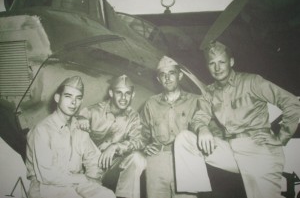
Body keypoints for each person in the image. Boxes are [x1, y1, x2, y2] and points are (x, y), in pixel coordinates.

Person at [174, 41, 300, 198]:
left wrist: (282, 137)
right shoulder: (210, 93)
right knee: (184, 139)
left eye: (222, 62)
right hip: (231, 149)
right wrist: (202, 128)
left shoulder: (252, 81)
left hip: (258, 150)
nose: (217, 68)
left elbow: (292, 103)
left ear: (231, 62)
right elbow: (199, 117)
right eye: (212, 64)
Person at [26, 76, 115, 198]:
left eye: (78, 98)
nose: (73, 102)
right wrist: (84, 178)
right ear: (57, 98)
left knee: (107, 195)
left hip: (77, 182)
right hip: (45, 186)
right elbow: (47, 176)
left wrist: (93, 179)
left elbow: (93, 159)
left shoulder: (79, 128)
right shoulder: (42, 130)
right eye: (68, 96)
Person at [140, 56, 211, 198]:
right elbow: (141, 134)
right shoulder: (150, 104)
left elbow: (211, 132)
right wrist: (144, 147)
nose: (167, 78)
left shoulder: (196, 101)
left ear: (180, 75)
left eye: (171, 73)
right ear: (159, 79)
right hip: (157, 161)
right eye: (163, 75)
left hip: (186, 161)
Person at [77, 74, 146, 198]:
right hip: (87, 169)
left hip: (111, 169)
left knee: (138, 158)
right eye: (119, 93)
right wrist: (80, 120)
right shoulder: (94, 111)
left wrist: (116, 146)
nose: (123, 98)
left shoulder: (133, 117)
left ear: (133, 95)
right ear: (111, 93)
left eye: (127, 93)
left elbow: (139, 141)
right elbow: (72, 121)